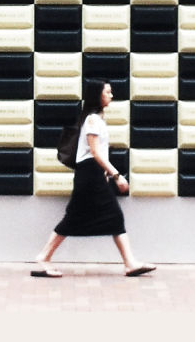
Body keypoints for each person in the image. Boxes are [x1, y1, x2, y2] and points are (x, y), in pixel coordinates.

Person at [31, 79, 156, 278]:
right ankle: (43, 257)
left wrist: (104, 174)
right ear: (98, 95)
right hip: (89, 175)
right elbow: (96, 153)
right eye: (108, 92)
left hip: (92, 174)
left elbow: (96, 154)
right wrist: (117, 176)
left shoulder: (95, 119)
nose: (111, 95)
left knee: (111, 216)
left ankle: (129, 262)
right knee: (78, 217)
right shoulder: (92, 120)